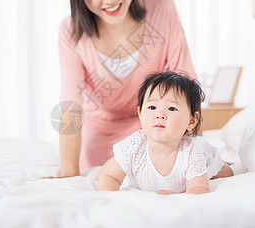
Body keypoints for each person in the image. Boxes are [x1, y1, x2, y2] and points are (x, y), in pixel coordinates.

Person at [57, 0, 227, 177]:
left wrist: (189, 155)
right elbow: (70, 107)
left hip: (159, 128)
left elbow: (186, 84)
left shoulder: (162, 9)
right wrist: (69, 174)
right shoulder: (70, 31)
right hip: (102, 138)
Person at [97, 71, 232, 194]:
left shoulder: (191, 152)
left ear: (191, 121)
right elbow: (111, 177)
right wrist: (110, 197)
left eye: (172, 108)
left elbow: (199, 189)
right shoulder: (133, 146)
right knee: (107, 170)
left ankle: (225, 162)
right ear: (140, 114)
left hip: (204, 156)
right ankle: (110, 162)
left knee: (226, 172)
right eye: (152, 107)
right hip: (135, 161)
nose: (160, 115)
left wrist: (177, 197)